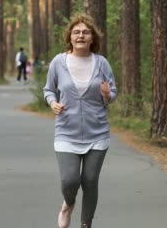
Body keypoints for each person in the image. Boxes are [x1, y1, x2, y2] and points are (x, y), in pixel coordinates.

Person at [44, 13, 117, 228]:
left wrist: (106, 94)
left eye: (86, 32)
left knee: (90, 181)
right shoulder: (59, 62)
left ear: (92, 38)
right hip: (66, 132)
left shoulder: (102, 63)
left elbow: (112, 93)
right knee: (70, 181)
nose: (81, 35)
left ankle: (86, 224)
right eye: (76, 32)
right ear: (70, 37)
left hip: (97, 134)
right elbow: (49, 89)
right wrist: (52, 103)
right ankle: (68, 204)